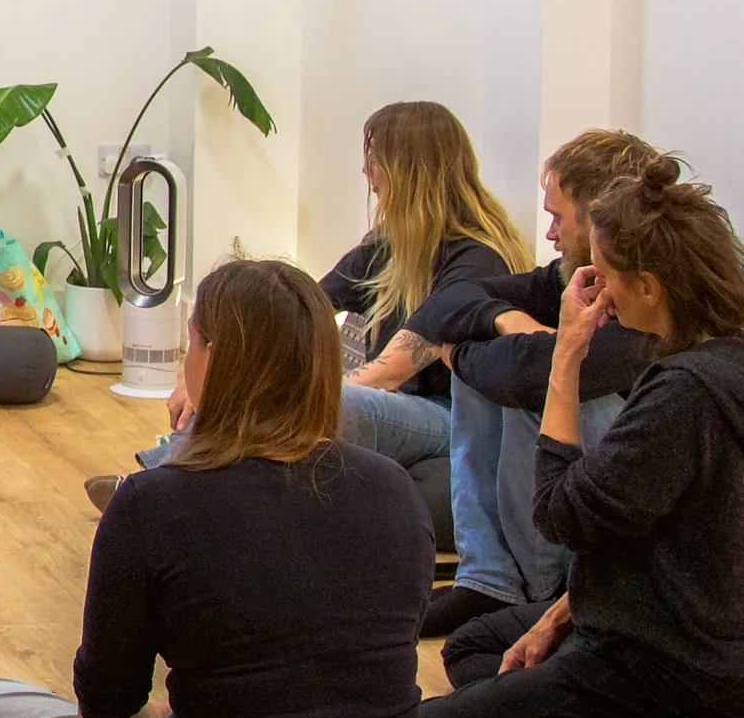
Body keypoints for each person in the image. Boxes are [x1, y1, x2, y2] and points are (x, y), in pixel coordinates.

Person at [0, 259, 432, 718]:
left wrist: (158, 715)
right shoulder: (395, 489)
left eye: (191, 341)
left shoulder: (153, 502)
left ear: (213, 358)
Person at [419, 158, 744, 718]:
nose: (598, 293)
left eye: (604, 278)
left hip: (654, 666)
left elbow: (557, 513)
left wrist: (568, 348)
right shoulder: (721, 362)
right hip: (690, 633)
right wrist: (559, 614)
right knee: (479, 644)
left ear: (649, 286)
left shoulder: (683, 394)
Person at [130, 101, 525, 492]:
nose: (366, 171)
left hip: (448, 416)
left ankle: (164, 486)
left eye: (375, 159)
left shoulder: (476, 260)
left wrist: (297, 392)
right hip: (397, 404)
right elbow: (294, 308)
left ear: (408, 170)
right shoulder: (391, 245)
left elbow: (390, 373)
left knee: (338, 402)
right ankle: (164, 479)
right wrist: (203, 369)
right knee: (243, 381)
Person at [411, 129, 661, 635]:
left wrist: (459, 354)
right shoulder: (576, 276)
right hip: (603, 484)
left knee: (547, 388)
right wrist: (503, 319)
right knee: (500, 363)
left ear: (596, 217)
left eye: (557, 217)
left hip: (644, 499)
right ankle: (490, 581)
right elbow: (441, 304)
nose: (548, 234)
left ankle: (539, 589)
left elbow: (536, 378)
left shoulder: (652, 297)